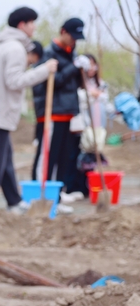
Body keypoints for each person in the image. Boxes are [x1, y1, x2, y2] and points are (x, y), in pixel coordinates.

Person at [0, 7, 57, 210]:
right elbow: (14, 81)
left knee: (5, 159)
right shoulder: (15, 48)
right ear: (22, 25)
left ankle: (14, 201)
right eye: (32, 22)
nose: (34, 27)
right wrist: (44, 70)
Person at [31, 18, 86, 192]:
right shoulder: (48, 53)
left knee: (64, 157)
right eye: (72, 36)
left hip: (67, 113)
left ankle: (57, 195)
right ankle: (41, 193)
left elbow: (75, 84)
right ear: (63, 32)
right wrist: (73, 67)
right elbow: (54, 81)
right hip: (52, 113)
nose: (74, 41)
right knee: (48, 156)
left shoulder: (72, 54)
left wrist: (83, 70)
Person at [67, 53, 109, 199]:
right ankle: (72, 186)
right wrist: (92, 95)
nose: (92, 68)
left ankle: (86, 187)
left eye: (93, 64)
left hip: (96, 126)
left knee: (91, 157)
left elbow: (105, 99)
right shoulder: (78, 83)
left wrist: (97, 95)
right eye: (89, 65)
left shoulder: (100, 83)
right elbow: (80, 101)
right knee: (76, 156)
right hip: (81, 126)